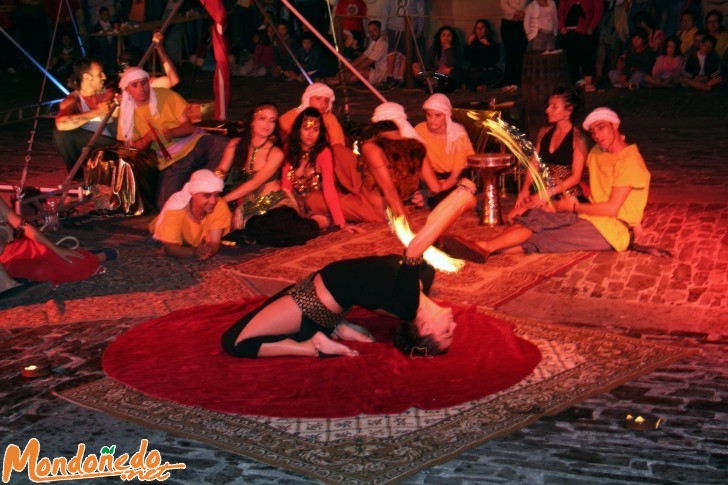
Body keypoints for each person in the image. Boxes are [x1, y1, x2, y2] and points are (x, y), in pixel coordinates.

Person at [221, 179, 477, 358]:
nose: (454, 326)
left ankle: (314, 346)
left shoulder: (407, 304)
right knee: (245, 333)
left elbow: (414, 249)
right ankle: (330, 331)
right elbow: (430, 230)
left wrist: (461, 197)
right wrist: (459, 193)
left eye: (446, 333)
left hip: (312, 302)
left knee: (236, 342)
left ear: (425, 329)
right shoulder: (423, 282)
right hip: (319, 294)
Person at [442, 107, 650, 263]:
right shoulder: (597, 152)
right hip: (589, 214)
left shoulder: (630, 161)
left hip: (612, 231)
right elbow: (586, 182)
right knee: (537, 217)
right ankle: (481, 248)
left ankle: (482, 248)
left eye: (602, 128)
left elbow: (613, 208)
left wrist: (573, 206)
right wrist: (551, 199)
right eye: (594, 131)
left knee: (546, 237)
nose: (597, 135)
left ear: (615, 126)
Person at [117, 67, 228, 209]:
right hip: (170, 161)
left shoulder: (165, 95)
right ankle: (194, 190)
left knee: (222, 144)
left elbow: (189, 127)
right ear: (127, 89)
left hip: (194, 144)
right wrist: (147, 139)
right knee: (165, 205)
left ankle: (207, 186)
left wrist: (173, 133)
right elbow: (132, 148)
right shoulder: (127, 113)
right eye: (135, 85)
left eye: (143, 83)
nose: (141, 89)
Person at [215, 103, 320, 247]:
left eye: (272, 120)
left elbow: (255, 183)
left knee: (276, 223)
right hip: (248, 207)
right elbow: (221, 171)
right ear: (252, 121)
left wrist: (223, 200)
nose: (267, 124)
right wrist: (210, 192)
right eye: (262, 118)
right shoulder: (235, 144)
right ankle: (256, 235)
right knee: (260, 225)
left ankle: (313, 224)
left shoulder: (276, 153)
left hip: (275, 204)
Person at [281, 108, 371, 231]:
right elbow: (286, 188)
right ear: (298, 129)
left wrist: (342, 224)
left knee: (312, 225)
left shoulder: (324, 152)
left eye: (315, 129)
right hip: (294, 203)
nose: (310, 134)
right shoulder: (290, 149)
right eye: (306, 129)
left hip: (318, 205)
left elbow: (329, 189)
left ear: (321, 132)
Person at [0, 197, 116, 292]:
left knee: (70, 261)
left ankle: (95, 256)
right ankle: (87, 258)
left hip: (16, 248)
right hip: (8, 264)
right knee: (42, 273)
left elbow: (22, 225)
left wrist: (56, 249)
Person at [510, 88, 588, 222]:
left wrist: (548, 193)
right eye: (548, 106)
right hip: (546, 192)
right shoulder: (544, 133)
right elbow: (534, 163)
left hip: (568, 195)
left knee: (530, 219)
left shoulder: (577, 138)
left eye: (554, 107)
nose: (547, 110)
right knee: (512, 217)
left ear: (569, 110)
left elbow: (576, 177)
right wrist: (525, 189)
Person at [360, 102, 427, 224]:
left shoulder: (372, 147)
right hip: (410, 203)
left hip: (385, 207)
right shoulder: (418, 145)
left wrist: (404, 221)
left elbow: (389, 190)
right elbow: (434, 186)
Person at [53, 57, 118, 176]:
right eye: (99, 74)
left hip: (113, 142)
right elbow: (61, 124)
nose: (104, 77)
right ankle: (76, 176)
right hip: (90, 144)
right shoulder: (73, 100)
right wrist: (96, 112)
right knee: (62, 133)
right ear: (86, 77)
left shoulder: (108, 91)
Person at [150, 169, 231, 260]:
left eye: (216, 195)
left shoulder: (220, 205)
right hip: (164, 225)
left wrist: (208, 250)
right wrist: (193, 252)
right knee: (145, 225)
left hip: (187, 236)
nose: (213, 201)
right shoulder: (175, 210)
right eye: (207, 195)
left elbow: (214, 242)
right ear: (193, 194)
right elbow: (170, 248)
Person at [414, 94, 474, 209]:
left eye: (437, 116)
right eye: (429, 115)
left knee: (442, 202)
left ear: (446, 116)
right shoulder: (419, 130)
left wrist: (433, 191)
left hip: (452, 180)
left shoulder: (458, 136)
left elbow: (455, 176)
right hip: (428, 178)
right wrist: (428, 186)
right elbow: (417, 164)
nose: (432, 120)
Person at [277, 83, 345, 146]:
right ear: (308, 99)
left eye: (326, 101)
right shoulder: (292, 116)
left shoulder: (330, 119)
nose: (323, 104)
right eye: (318, 98)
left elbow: (338, 145)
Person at [558, 0, 604, 93]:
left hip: (585, 30)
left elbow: (598, 11)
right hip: (569, 31)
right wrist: (561, 26)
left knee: (586, 56)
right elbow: (561, 11)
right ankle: (575, 81)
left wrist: (591, 26)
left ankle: (588, 83)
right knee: (571, 57)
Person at [381, 0, 424, 89]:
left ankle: (396, 78)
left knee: (399, 52)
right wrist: (420, 29)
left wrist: (383, 28)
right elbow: (421, 12)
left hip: (404, 26)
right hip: (401, 26)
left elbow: (386, 10)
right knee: (399, 53)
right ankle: (394, 77)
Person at [413, 25, 463, 92]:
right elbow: (425, 63)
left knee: (447, 70)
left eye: (449, 36)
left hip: (447, 78)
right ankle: (429, 85)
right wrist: (435, 70)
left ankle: (433, 87)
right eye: (444, 35)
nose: (446, 38)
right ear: (439, 37)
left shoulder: (455, 49)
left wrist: (448, 49)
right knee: (416, 66)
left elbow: (452, 65)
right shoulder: (435, 47)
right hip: (435, 74)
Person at [341, 20, 388, 87]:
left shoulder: (382, 43)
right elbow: (363, 56)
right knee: (352, 71)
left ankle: (339, 82)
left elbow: (368, 61)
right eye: (370, 32)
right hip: (376, 70)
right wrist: (348, 67)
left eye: (374, 30)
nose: (372, 33)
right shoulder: (374, 42)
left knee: (359, 72)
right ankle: (337, 80)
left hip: (383, 73)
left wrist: (351, 71)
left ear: (379, 30)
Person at [463, 18, 502, 91]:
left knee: (495, 74)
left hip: (487, 71)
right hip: (474, 71)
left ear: (486, 30)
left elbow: (495, 59)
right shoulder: (472, 44)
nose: (480, 30)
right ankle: (472, 85)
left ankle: (482, 85)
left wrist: (489, 46)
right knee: (464, 74)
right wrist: (468, 44)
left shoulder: (492, 44)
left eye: (482, 28)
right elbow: (465, 59)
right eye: (477, 28)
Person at [500, 0, 528, 89]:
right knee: (510, 52)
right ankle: (509, 80)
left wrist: (522, 13)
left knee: (520, 52)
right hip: (508, 22)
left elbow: (529, 4)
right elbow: (503, 4)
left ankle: (518, 80)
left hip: (522, 22)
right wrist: (515, 13)